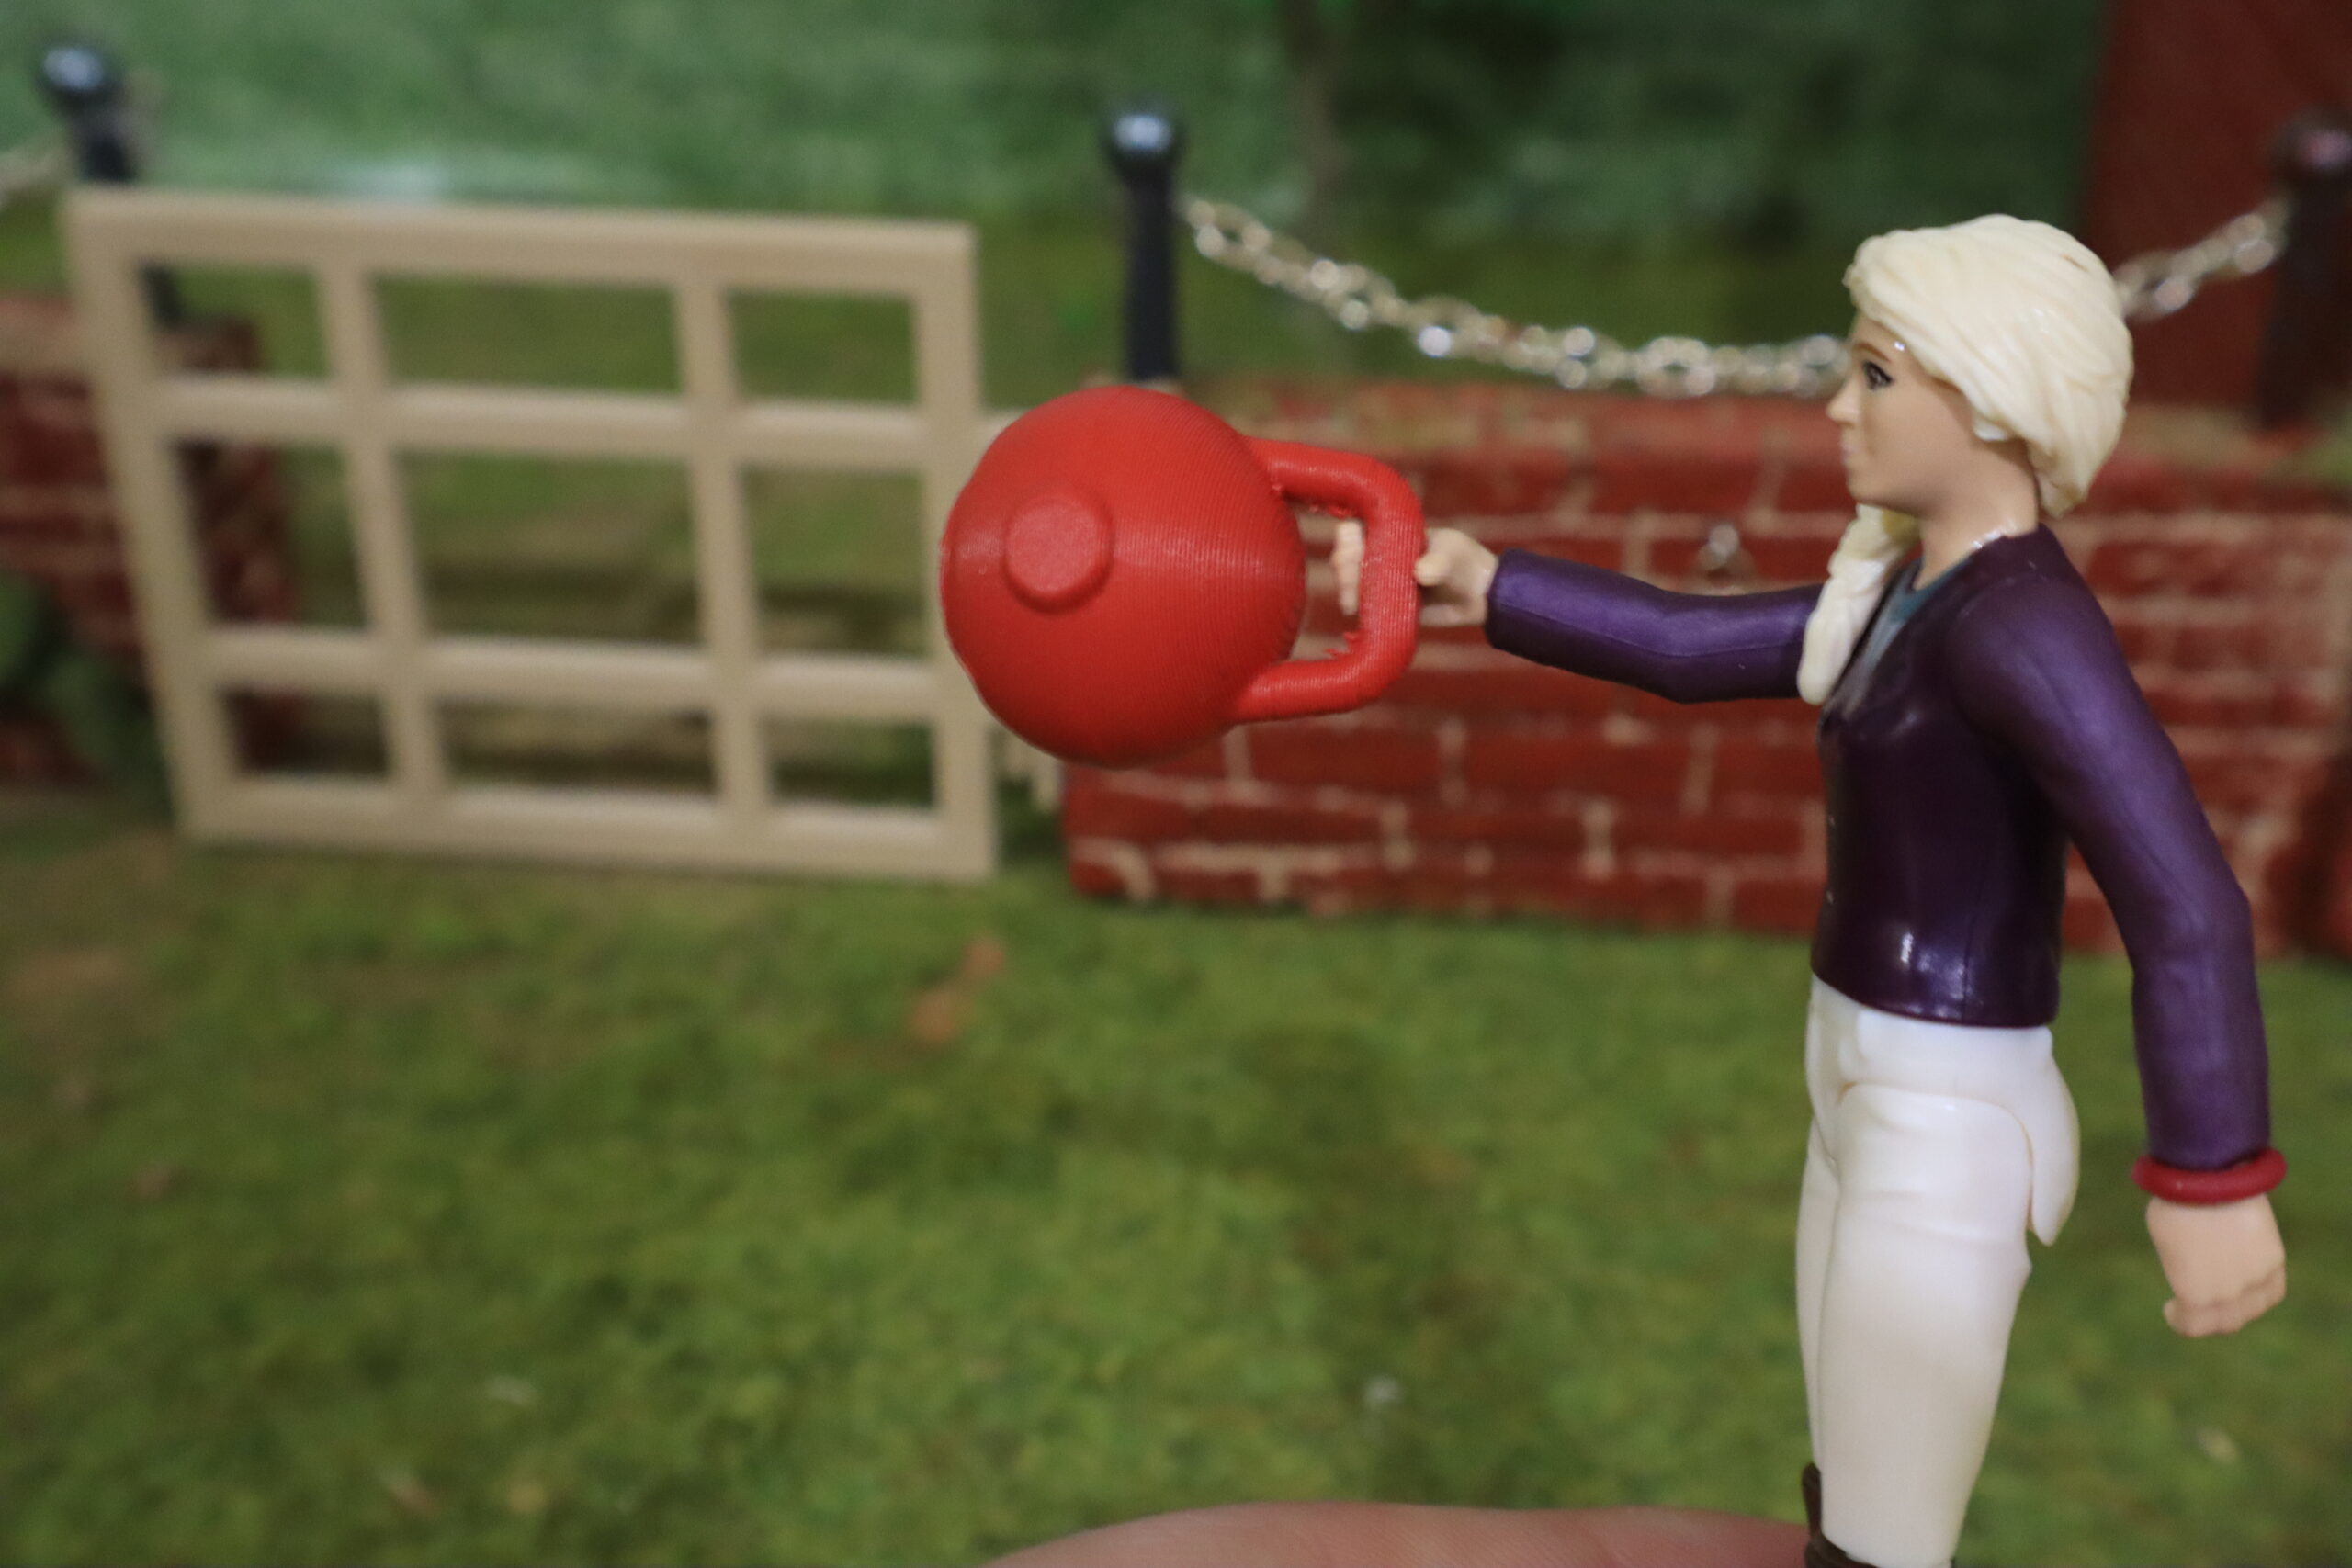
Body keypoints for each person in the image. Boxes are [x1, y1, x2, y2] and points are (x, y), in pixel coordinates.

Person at [1306, 215, 2289, 1568]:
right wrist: (1492, 585)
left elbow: (2181, 895)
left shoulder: (2026, 630)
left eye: (1877, 375)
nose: (1839, 406)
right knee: (1849, 1472)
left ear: (1992, 398)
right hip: (1856, 1079)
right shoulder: (1899, 591)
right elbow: (1686, 645)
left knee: (1888, 1523)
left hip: (1946, 1114)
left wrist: (2212, 1176)